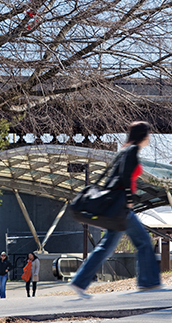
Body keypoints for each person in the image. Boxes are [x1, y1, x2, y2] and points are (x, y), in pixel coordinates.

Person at [69, 121, 162, 299]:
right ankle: (148, 282)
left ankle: (80, 282)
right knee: (143, 241)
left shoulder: (125, 150)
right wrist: (129, 200)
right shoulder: (132, 151)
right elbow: (125, 177)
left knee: (106, 247)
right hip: (122, 207)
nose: (150, 137)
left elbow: (113, 178)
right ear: (142, 135)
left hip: (117, 206)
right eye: (148, 134)